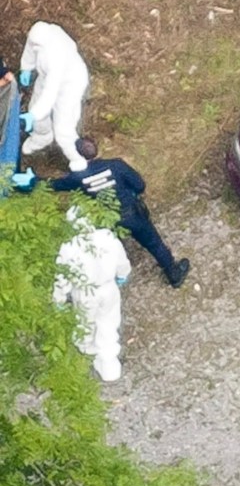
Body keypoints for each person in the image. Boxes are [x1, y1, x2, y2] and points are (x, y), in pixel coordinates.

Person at [50, 137, 191, 288]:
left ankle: (112, 275)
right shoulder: (116, 165)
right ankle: (173, 274)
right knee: (154, 243)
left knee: (111, 247)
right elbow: (140, 185)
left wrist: (32, 182)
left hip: (107, 221)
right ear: (97, 148)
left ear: (79, 154)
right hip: (133, 214)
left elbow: (56, 185)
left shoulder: (79, 177)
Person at [53, 207, 132, 382]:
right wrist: (122, 275)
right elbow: (121, 260)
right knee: (109, 321)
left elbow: (62, 276)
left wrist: (59, 298)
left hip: (84, 292)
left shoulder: (68, 247)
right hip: (109, 288)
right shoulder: (107, 236)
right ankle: (109, 363)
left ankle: (87, 350)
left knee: (85, 322)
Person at [18, 21, 90, 171]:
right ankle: (42, 136)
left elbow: (50, 92)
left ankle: (77, 159)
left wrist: (34, 115)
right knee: (35, 105)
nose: (34, 45)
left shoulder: (56, 56)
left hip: (70, 84)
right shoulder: (42, 34)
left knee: (63, 126)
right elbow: (30, 48)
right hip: (45, 76)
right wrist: (26, 67)